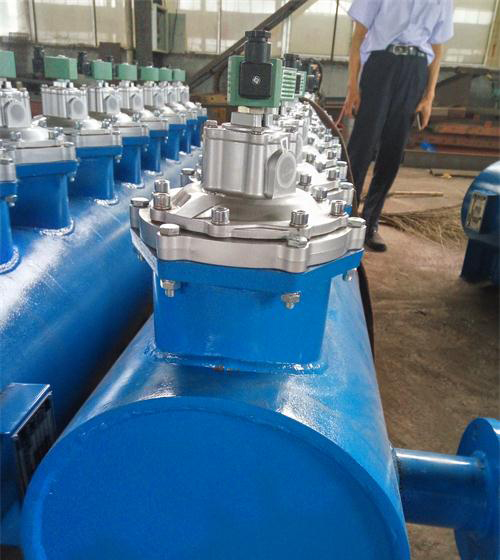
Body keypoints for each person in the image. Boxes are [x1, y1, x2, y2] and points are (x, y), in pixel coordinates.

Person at [344, 0, 454, 251]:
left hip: (415, 71)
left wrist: (429, 96)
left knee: (393, 153)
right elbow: (358, 37)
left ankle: (370, 223)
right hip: (381, 65)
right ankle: (347, 219)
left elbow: (437, 50)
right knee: (362, 148)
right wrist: (352, 86)